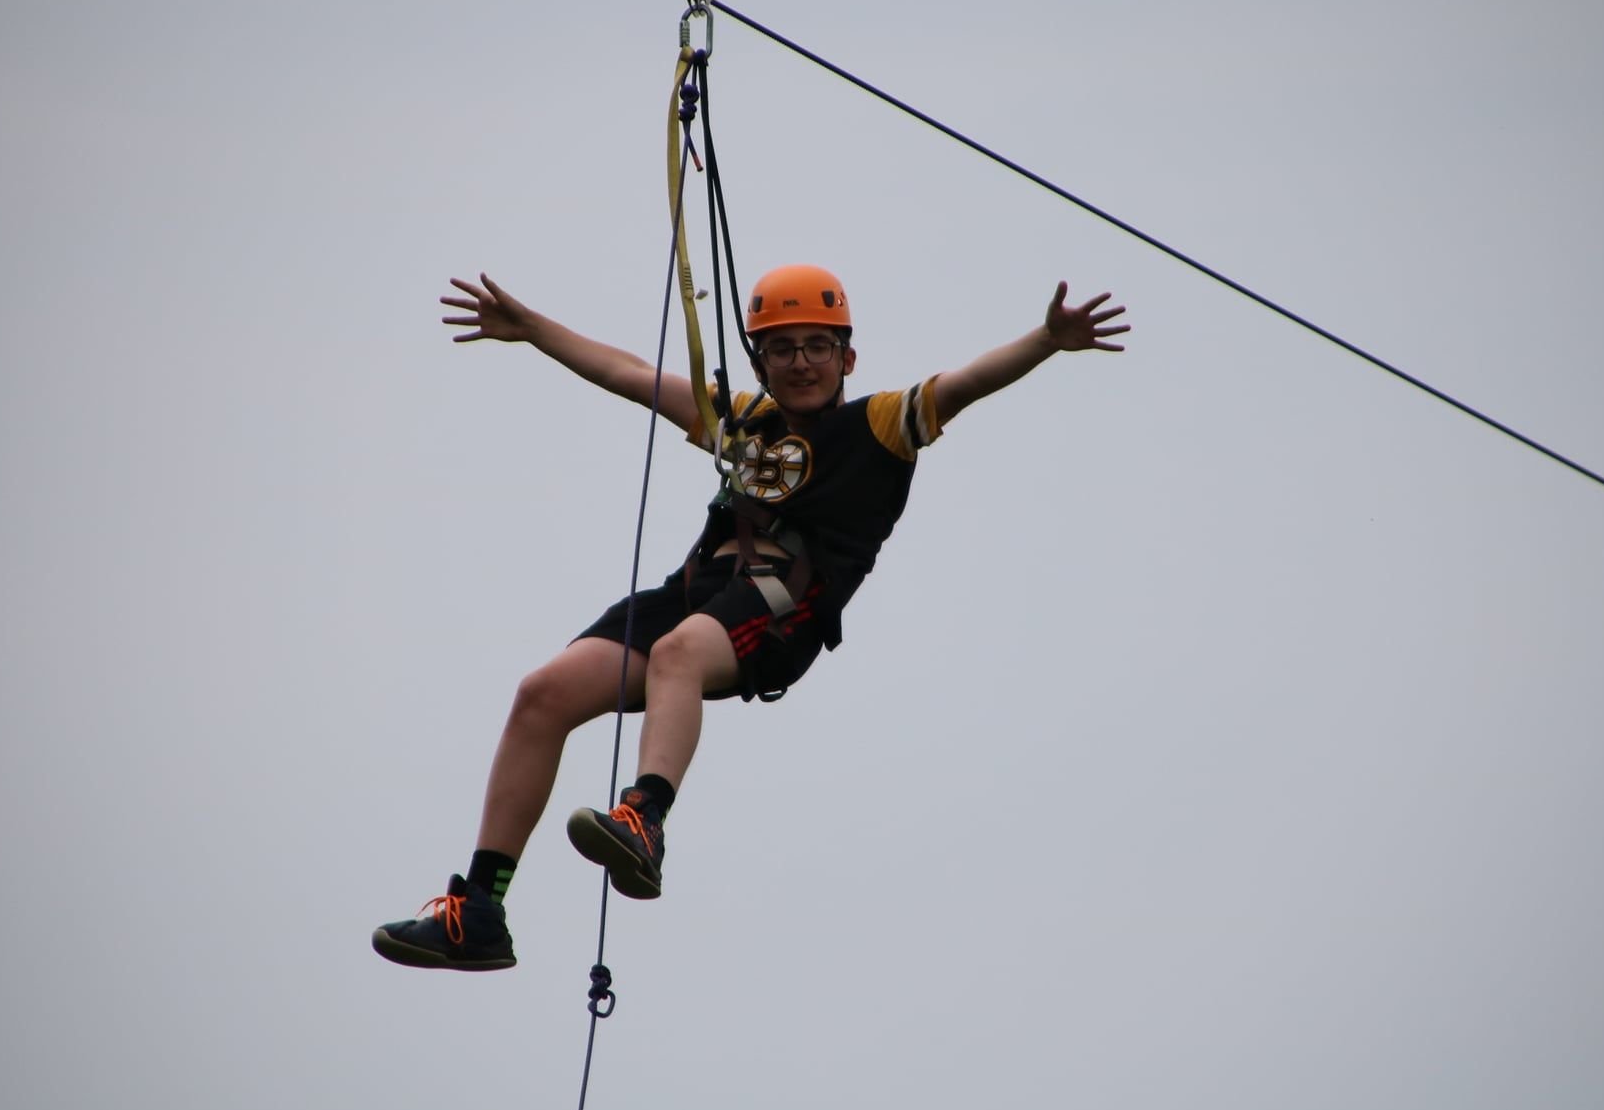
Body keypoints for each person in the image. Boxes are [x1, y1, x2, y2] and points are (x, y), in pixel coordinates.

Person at [374, 263, 1128, 970]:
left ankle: (645, 818)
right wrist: (532, 328)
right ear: (760, 361)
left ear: (847, 358)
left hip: (784, 605)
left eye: (817, 347)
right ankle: (481, 909)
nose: (801, 363)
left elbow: (964, 383)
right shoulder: (742, 420)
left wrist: (1046, 340)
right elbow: (629, 374)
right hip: (699, 590)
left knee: (678, 652)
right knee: (543, 693)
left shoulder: (882, 425)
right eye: (781, 349)